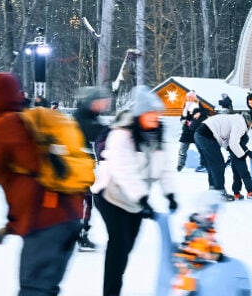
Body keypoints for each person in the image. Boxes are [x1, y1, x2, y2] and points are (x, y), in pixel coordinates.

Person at [0, 73, 85, 295]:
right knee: (43, 289)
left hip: (47, 224)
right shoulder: (27, 123)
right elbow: (31, 178)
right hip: (68, 218)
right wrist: (14, 223)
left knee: (34, 290)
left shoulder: (3, 128)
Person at [92, 86, 177, 296]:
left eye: (157, 114)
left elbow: (164, 167)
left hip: (136, 201)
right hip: (111, 196)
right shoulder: (121, 135)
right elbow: (124, 171)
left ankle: (114, 280)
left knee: (127, 246)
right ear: (139, 115)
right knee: (119, 246)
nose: (155, 118)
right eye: (150, 114)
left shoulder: (156, 136)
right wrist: (143, 198)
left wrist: (170, 193)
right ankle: (111, 292)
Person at [73, 85, 112, 251]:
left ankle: (81, 233)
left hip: (84, 167)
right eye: (102, 102)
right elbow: (96, 131)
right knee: (84, 202)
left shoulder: (90, 116)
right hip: (77, 168)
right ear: (92, 102)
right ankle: (79, 234)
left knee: (86, 202)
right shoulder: (82, 117)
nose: (104, 105)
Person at [195, 110, 252, 201]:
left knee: (211, 165)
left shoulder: (235, 118)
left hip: (199, 134)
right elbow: (233, 144)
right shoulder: (241, 123)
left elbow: (227, 139)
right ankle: (220, 192)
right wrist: (242, 155)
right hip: (207, 135)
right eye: (251, 125)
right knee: (218, 165)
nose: (250, 128)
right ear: (249, 121)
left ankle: (213, 190)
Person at [178, 91, 208, 172]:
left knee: (201, 149)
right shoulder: (185, 106)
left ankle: (203, 165)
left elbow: (206, 112)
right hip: (186, 131)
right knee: (182, 150)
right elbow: (182, 118)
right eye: (188, 97)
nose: (189, 98)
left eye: (191, 97)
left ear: (194, 98)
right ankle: (180, 165)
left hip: (196, 131)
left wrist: (199, 113)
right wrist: (183, 121)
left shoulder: (198, 105)